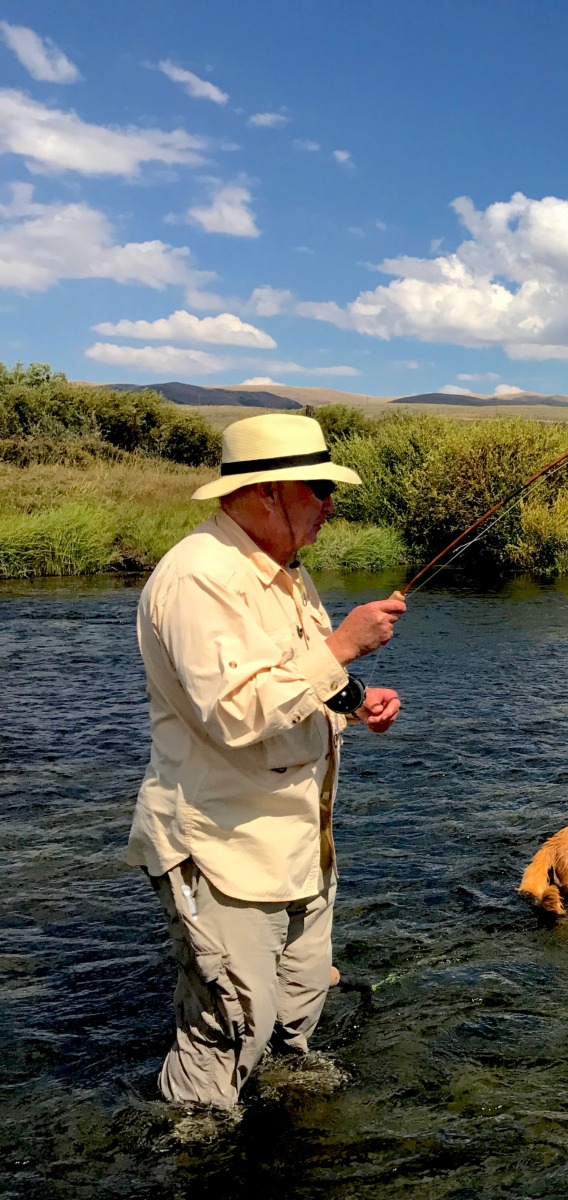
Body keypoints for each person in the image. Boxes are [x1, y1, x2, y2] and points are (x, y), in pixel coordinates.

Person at [126, 412, 406, 1113]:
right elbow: (234, 710)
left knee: (295, 1017)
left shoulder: (281, 571)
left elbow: (290, 678)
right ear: (267, 493)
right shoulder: (197, 578)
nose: (330, 504)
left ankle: (287, 1137)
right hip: (222, 850)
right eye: (317, 488)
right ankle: (193, 1147)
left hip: (298, 847)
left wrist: (356, 701)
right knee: (228, 1033)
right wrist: (341, 648)